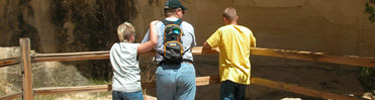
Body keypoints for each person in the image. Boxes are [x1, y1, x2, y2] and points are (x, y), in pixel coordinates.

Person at [141, 0, 196, 99]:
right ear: (178, 11)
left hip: (165, 69)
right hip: (185, 68)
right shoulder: (188, 26)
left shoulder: (155, 27)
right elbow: (192, 46)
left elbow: (143, 47)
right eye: (183, 12)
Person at [203, 7, 256, 100]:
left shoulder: (223, 31)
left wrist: (218, 46)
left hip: (229, 75)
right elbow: (253, 46)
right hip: (243, 75)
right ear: (237, 18)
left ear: (224, 19)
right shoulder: (247, 31)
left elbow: (206, 45)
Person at [110, 21, 158, 100]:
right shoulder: (134, 48)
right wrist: (152, 25)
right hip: (132, 89)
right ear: (132, 36)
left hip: (117, 89)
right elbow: (153, 42)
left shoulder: (114, 47)